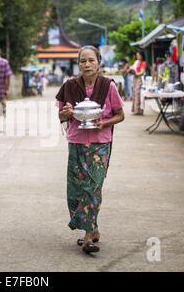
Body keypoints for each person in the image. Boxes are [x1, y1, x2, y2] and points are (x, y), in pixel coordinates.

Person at [55, 45, 125, 254]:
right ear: (78, 64)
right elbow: (61, 117)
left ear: (99, 62)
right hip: (76, 142)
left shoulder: (108, 86)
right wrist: (66, 113)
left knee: (92, 187)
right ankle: (93, 230)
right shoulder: (69, 86)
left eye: (91, 60)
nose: (87, 64)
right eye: (83, 61)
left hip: (100, 143)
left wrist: (104, 123)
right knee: (76, 191)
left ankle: (88, 237)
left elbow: (120, 114)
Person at [130, 50, 147, 115]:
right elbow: (132, 67)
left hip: (139, 78)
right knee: (134, 93)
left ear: (142, 56)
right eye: (137, 55)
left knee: (138, 94)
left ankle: (138, 109)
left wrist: (135, 74)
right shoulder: (136, 62)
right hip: (135, 78)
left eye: (139, 55)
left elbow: (142, 72)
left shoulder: (143, 63)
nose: (138, 57)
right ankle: (135, 109)